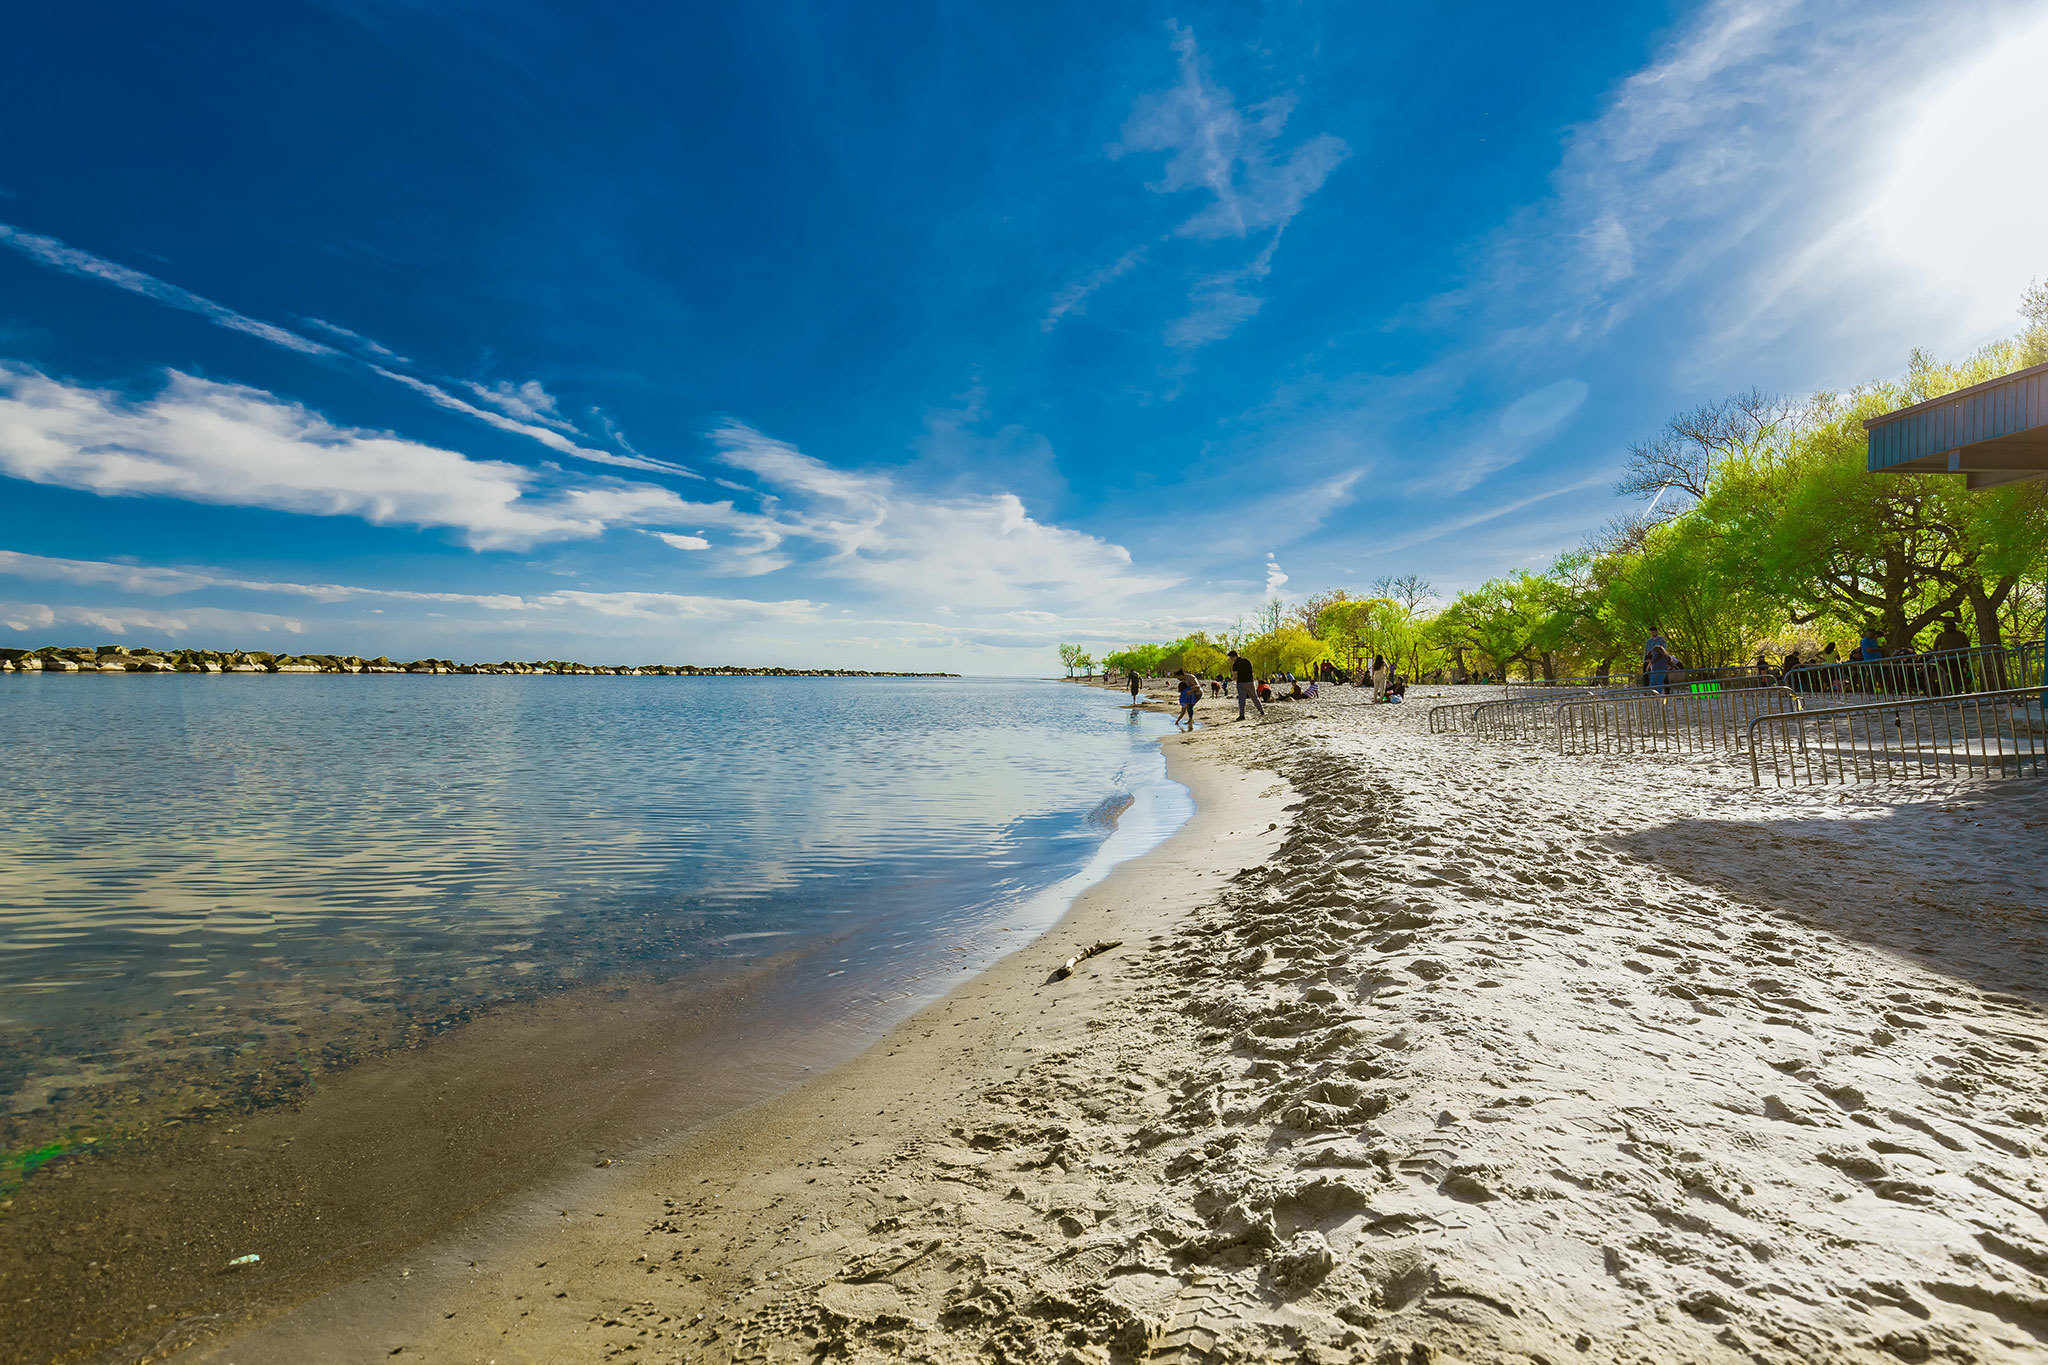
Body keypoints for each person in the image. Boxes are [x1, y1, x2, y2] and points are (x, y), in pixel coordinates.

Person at [1227, 648, 1263, 722]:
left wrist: (1232, 679)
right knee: (1254, 697)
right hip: (1250, 682)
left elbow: (1234, 676)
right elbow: (1251, 672)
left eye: (1231, 658)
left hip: (1241, 683)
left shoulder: (1235, 664)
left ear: (1233, 657)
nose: (1231, 659)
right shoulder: (1247, 661)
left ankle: (1242, 715)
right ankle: (1261, 711)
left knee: (1242, 699)